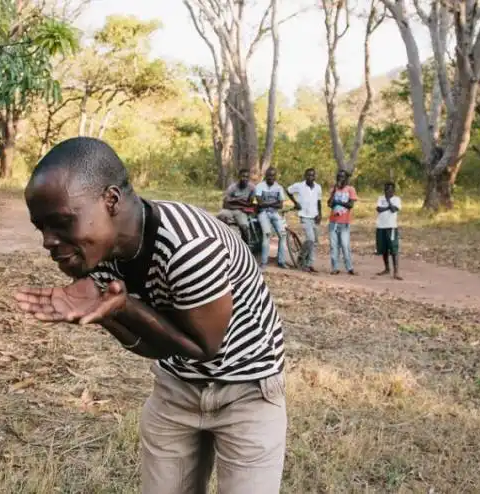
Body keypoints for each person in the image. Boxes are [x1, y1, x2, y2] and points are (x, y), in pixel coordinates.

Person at [14, 137, 287, 494]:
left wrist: (127, 308)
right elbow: (158, 346)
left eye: (61, 222)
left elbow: (204, 347)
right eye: (42, 228)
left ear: (110, 199)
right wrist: (107, 315)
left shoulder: (190, 247)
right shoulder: (100, 253)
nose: (49, 241)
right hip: (177, 387)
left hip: (247, 391)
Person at [286, 168, 322, 273]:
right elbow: (288, 190)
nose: (310, 177)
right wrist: (295, 203)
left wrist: (320, 214)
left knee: (315, 242)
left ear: (315, 176)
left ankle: (309, 262)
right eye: (308, 175)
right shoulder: (299, 186)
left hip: (314, 216)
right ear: (305, 176)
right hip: (304, 216)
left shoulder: (318, 187)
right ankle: (303, 261)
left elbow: (319, 202)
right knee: (310, 238)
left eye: (312, 175)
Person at [254, 167, 288, 269]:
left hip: (275, 213)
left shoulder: (279, 188)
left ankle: (281, 261)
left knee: (283, 234)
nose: (271, 177)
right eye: (269, 175)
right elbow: (260, 203)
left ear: (275, 176)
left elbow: (280, 205)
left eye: (273, 175)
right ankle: (264, 262)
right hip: (263, 213)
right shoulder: (260, 186)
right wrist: (274, 203)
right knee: (267, 234)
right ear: (266, 176)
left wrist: (267, 203)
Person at [327, 170, 358, 275]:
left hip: (344, 222)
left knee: (345, 245)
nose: (340, 179)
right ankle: (335, 268)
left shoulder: (350, 189)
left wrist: (339, 202)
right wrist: (334, 192)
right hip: (333, 222)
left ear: (346, 178)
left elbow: (350, 205)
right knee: (333, 246)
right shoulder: (334, 189)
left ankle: (349, 267)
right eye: (338, 176)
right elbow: (329, 204)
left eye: (342, 177)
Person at [216, 168, 255, 240]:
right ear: (239, 177)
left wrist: (235, 201)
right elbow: (225, 204)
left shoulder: (251, 188)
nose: (245, 179)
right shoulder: (232, 187)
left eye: (247, 177)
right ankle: (223, 238)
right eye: (243, 176)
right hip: (229, 209)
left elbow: (249, 204)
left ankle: (245, 244)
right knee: (220, 216)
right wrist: (240, 202)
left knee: (244, 226)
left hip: (240, 211)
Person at [376, 182, 403, 280]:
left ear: (393, 190)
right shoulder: (380, 198)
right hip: (380, 226)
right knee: (383, 249)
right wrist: (388, 206)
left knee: (393, 249)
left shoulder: (397, 199)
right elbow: (378, 209)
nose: (387, 191)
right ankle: (387, 268)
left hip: (391, 227)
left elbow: (393, 210)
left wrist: (388, 201)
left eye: (389, 189)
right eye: (386, 189)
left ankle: (396, 271)